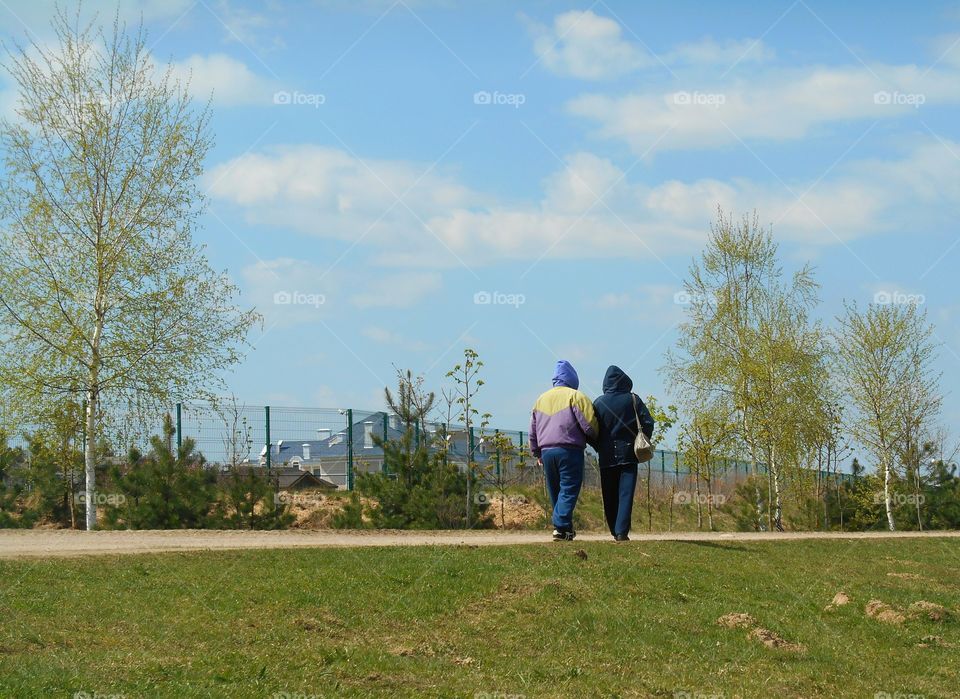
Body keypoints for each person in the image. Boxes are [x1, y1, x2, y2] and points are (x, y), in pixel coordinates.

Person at [529, 359, 598, 541]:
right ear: (573, 379)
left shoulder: (540, 399)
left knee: (555, 490)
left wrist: (536, 452)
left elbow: (533, 430)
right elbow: (589, 425)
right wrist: (597, 438)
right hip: (569, 449)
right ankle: (559, 524)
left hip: (547, 452)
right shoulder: (576, 396)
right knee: (568, 488)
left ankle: (565, 529)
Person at [591, 365, 655, 541]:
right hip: (629, 455)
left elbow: (590, 429)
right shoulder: (633, 399)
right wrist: (641, 438)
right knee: (625, 494)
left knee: (609, 494)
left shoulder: (598, 403)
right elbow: (648, 422)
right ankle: (621, 532)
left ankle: (613, 529)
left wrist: (598, 446)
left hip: (605, 456)